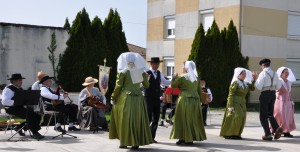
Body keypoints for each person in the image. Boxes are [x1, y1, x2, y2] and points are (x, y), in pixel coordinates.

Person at [109, 52, 153, 150]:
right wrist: (145, 79)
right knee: (137, 119)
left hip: (126, 98)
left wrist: (113, 97)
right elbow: (146, 86)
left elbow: (118, 87)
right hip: (138, 99)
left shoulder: (123, 72)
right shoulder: (141, 71)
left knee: (124, 119)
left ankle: (124, 142)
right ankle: (135, 143)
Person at [170, 61, 206, 145]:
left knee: (183, 118)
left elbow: (173, 85)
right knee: (192, 119)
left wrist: (174, 77)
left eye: (183, 66)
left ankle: (183, 138)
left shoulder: (183, 77)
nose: (182, 68)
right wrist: (201, 101)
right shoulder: (196, 78)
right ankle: (190, 138)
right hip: (195, 101)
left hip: (185, 100)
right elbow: (199, 91)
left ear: (186, 68)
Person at [1, 73, 44, 139]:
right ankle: (35, 132)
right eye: (20, 80)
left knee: (37, 116)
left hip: (19, 108)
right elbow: (4, 101)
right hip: (11, 109)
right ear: (14, 81)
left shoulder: (19, 88)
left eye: (21, 80)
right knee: (29, 112)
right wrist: (17, 102)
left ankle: (19, 127)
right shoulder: (8, 89)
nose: (21, 82)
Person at [220, 68, 257, 139]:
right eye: (242, 74)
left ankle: (237, 134)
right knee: (238, 116)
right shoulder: (235, 82)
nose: (244, 75)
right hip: (234, 102)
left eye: (245, 74)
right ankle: (230, 134)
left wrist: (254, 79)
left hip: (242, 103)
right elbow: (231, 94)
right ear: (238, 74)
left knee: (243, 117)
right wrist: (230, 106)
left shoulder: (245, 83)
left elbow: (252, 88)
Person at [255, 58, 283, 141]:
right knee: (270, 113)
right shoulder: (275, 74)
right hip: (273, 94)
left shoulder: (263, 73)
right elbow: (279, 87)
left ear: (263, 65)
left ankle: (268, 134)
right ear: (269, 64)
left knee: (263, 116)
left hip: (265, 94)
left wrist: (256, 79)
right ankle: (276, 127)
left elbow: (259, 87)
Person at [144, 57, 171, 143]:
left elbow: (165, 82)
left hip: (156, 99)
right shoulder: (146, 72)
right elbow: (143, 85)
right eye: (155, 64)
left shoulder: (159, 73)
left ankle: (152, 137)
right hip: (148, 98)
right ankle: (144, 136)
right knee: (148, 118)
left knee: (156, 118)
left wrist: (173, 79)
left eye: (158, 64)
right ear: (151, 64)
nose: (157, 65)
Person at [272, 67, 296, 137]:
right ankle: (275, 130)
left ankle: (286, 131)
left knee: (287, 117)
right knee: (279, 116)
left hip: (287, 102)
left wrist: (290, 100)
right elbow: (275, 90)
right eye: (285, 72)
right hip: (280, 101)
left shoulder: (289, 82)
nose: (287, 74)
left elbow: (289, 92)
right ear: (281, 73)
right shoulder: (278, 81)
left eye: (287, 72)